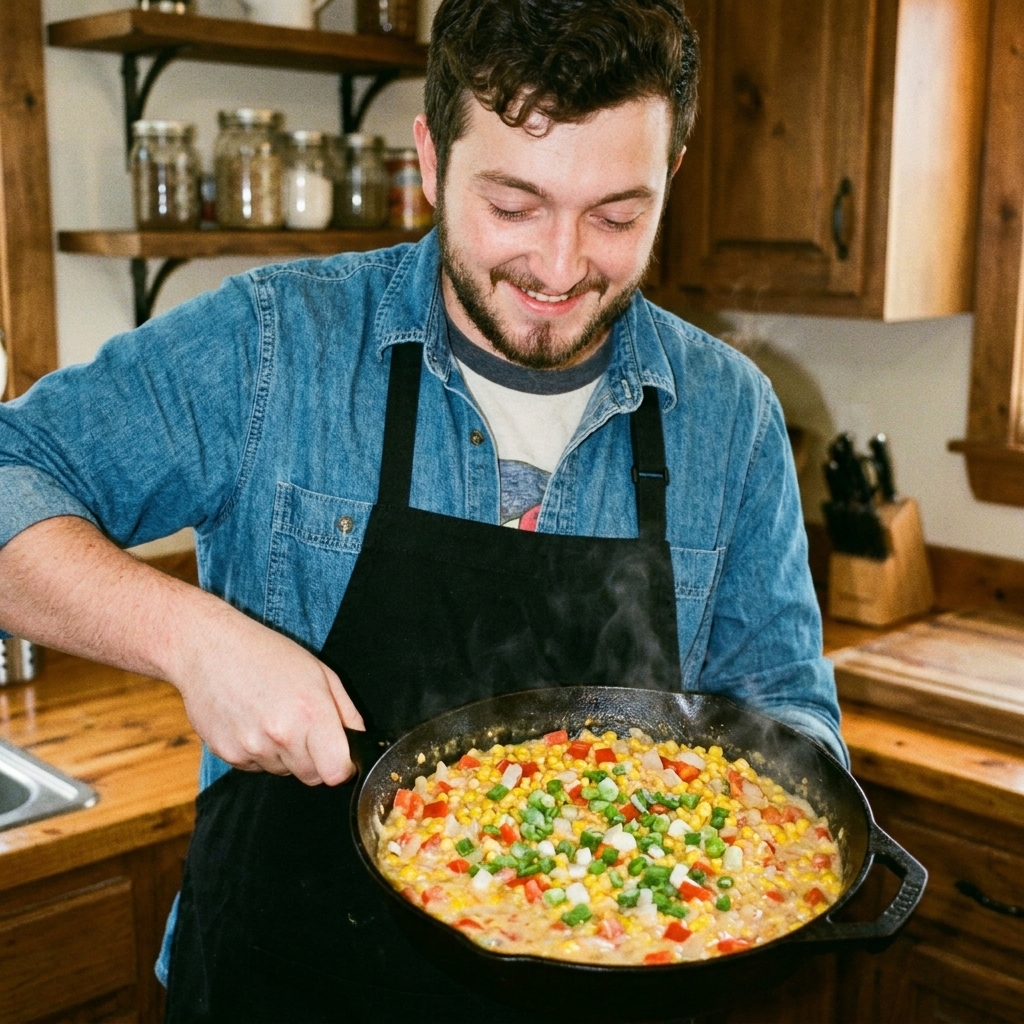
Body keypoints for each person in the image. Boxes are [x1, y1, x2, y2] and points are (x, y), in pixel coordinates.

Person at [0, 0, 847, 1018]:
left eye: (617, 215)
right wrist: (190, 636)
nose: (561, 264)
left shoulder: (731, 416)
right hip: (280, 983)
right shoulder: (276, 346)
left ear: (667, 180)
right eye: (514, 204)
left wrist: (745, 853)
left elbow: (790, 728)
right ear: (432, 161)